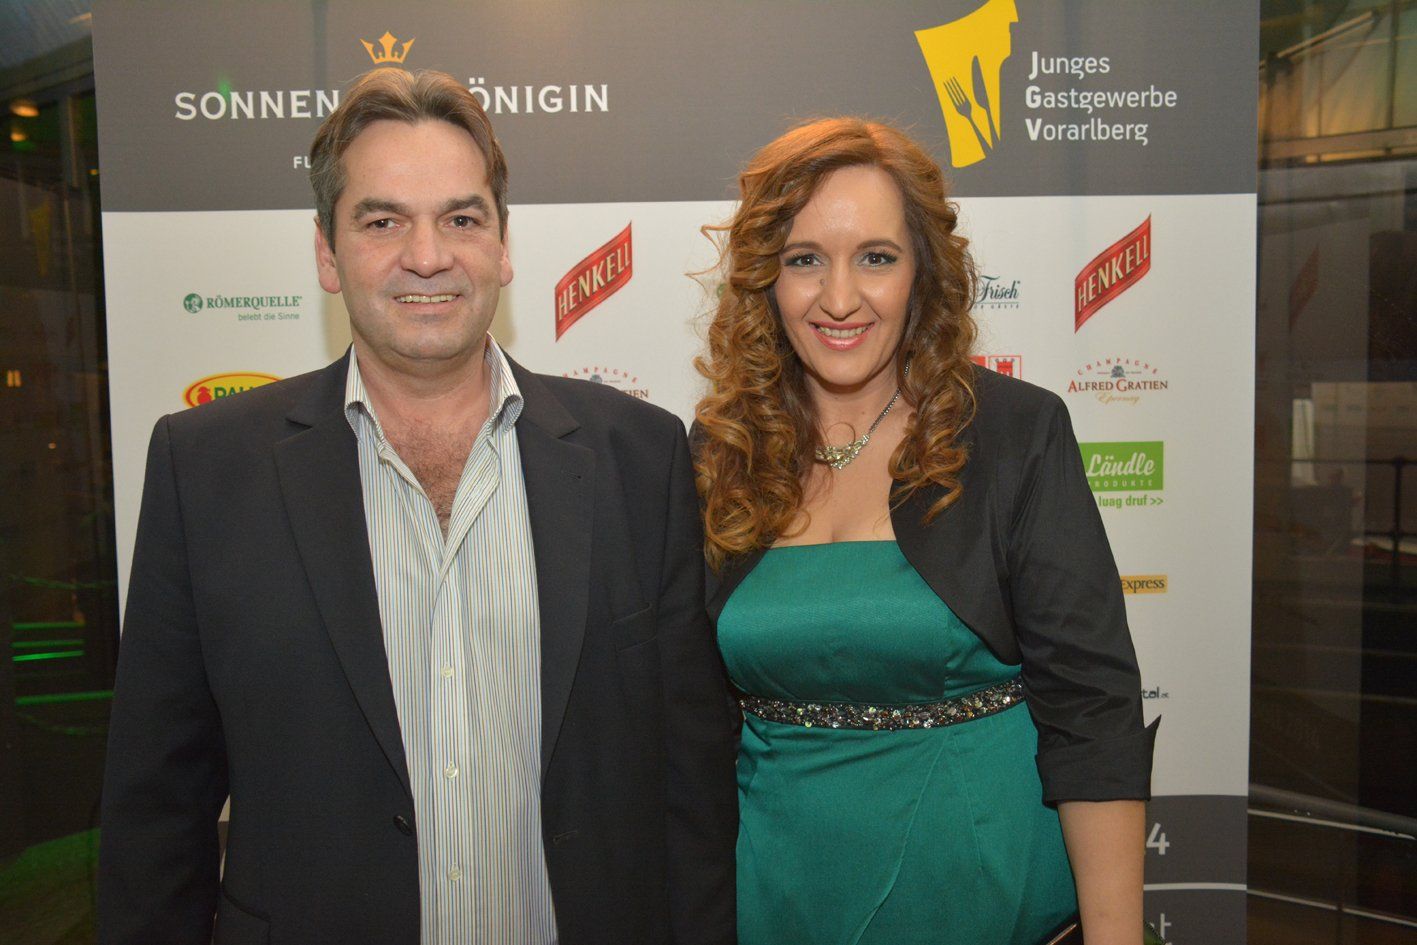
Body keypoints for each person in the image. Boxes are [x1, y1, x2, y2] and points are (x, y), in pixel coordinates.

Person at [98, 68, 737, 945]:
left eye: (461, 219)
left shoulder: (639, 455)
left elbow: (692, 784)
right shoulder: (205, 467)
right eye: (382, 221)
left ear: (503, 246)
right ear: (327, 255)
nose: (428, 255)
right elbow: (156, 808)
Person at [693, 118, 1157, 945]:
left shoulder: (1012, 432)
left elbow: (1091, 710)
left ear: (922, 273)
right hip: (774, 900)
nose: (840, 298)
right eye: (804, 259)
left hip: (985, 898)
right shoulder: (720, 452)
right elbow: (688, 723)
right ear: (764, 277)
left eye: (876, 257)